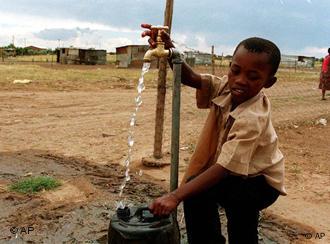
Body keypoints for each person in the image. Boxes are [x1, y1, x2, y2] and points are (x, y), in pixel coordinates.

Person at [141, 24, 286, 244]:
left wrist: (175, 195)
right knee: (198, 193)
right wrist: (171, 50)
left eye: (253, 76)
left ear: (269, 82)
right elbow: (192, 78)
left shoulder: (252, 117)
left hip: (260, 182)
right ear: (230, 66)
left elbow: (224, 168)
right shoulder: (227, 86)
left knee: (239, 215)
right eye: (235, 70)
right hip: (237, 173)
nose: (240, 80)